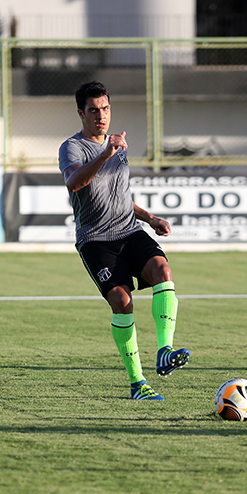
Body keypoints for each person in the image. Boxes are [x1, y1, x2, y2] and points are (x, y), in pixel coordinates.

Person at [58, 81, 190, 400]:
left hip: (128, 229)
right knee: (122, 301)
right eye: (93, 110)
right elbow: (74, 183)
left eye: (105, 108)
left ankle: (165, 351)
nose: (101, 116)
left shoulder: (117, 146)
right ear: (81, 114)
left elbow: (119, 196)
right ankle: (138, 383)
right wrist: (106, 154)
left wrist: (151, 218)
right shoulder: (72, 147)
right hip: (95, 239)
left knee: (162, 271)